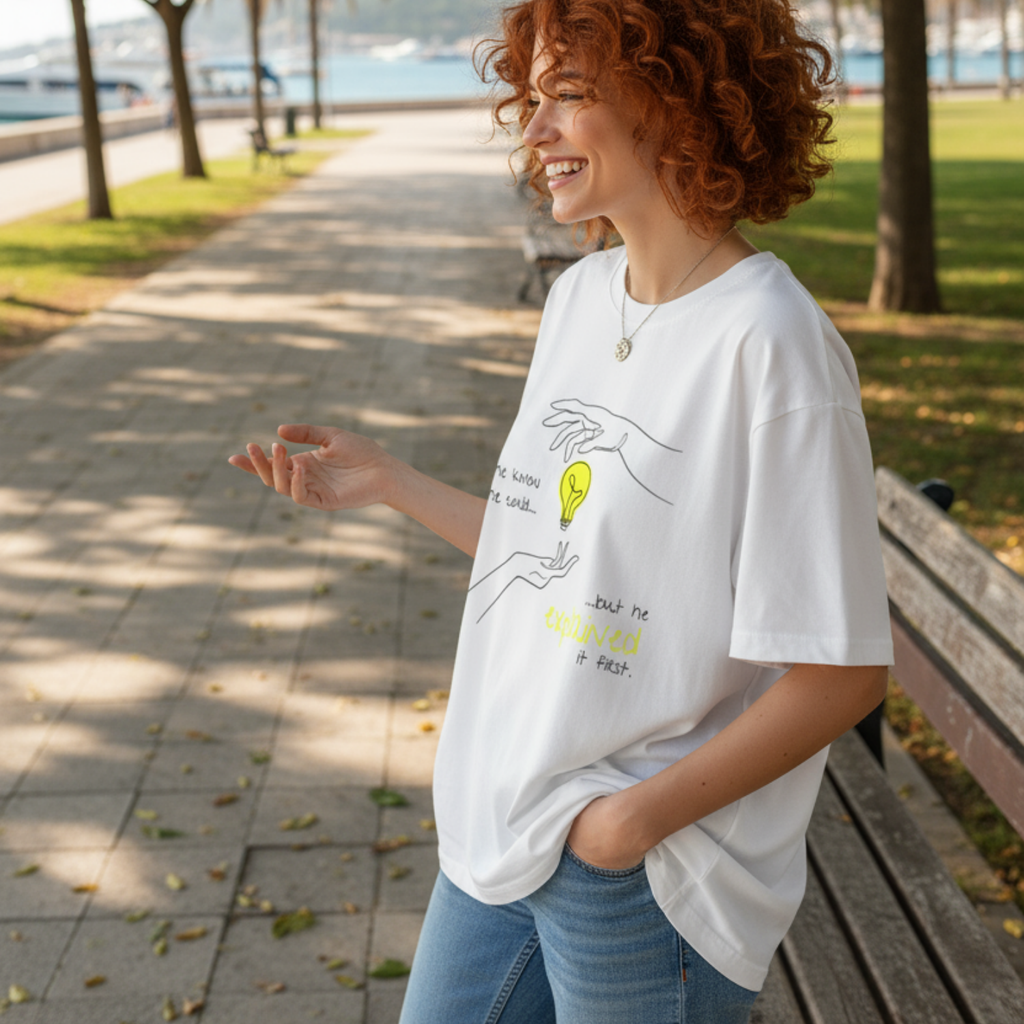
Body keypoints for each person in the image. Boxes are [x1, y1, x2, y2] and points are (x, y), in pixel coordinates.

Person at [228, 1, 895, 1020]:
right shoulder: (580, 300)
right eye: (531, 98)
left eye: (570, 97)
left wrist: (627, 825)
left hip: (641, 878)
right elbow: (554, 550)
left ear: (679, 102)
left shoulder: (772, 345)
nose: (532, 131)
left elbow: (839, 670)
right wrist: (393, 483)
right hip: (501, 823)